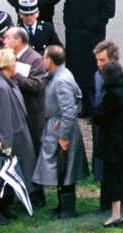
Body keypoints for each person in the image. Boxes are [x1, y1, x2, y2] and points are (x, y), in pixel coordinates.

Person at [32, 45, 88, 218]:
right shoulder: (62, 74)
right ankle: (62, 206)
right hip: (60, 124)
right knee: (61, 168)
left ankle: (67, 210)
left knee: (65, 168)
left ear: (50, 60)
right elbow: (78, 95)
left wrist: (63, 135)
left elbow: (70, 112)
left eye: (44, 58)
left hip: (63, 129)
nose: (42, 60)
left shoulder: (61, 80)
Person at [0, 47, 36, 225]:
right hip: (5, 140)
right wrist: (6, 144)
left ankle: (5, 206)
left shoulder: (8, 81)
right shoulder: (1, 87)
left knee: (8, 174)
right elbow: (3, 118)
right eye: (14, 61)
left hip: (14, 136)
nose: (16, 64)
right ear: (7, 64)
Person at [91, 39, 123, 210]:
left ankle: (115, 208)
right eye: (96, 60)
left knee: (117, 168)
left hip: (118, 132)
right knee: (103, 165)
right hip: (102, 129)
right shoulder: (98, 75)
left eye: (102, 60)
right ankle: (107, 203)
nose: (98, 64)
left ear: (113, 59)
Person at [4, 26, 47, 208]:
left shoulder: (35, 59)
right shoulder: (9, 57)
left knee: (34, 154)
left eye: (7, 38)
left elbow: (37, 85)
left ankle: (37, 194)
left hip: (32, 116)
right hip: (16, 115)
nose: (4, 41)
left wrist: (16, 75)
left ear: (18, 41)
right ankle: (19, 190)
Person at [64, 0, 115, 117]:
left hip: (93, 33)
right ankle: (86, 106)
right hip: (75, 31)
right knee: (78, 70)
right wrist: (68, 22)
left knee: (91, 70)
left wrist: (96, 23)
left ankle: (94, 109)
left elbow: (109, 9)